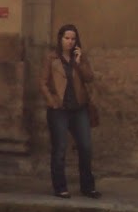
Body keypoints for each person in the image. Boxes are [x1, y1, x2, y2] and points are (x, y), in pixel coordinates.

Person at [39, 23, 100, 199]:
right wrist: (51, 101)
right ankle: (60, 187)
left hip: (79, 108)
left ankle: (88, 187)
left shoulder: (80, 57)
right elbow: (42, 82)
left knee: (85, 147)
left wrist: (80, 63)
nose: (70, 42)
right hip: (59, 109)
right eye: (67, 38)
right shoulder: (51, 58)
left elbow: (89, 78)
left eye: (73, 39)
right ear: (60, 39)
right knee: (60, 148)